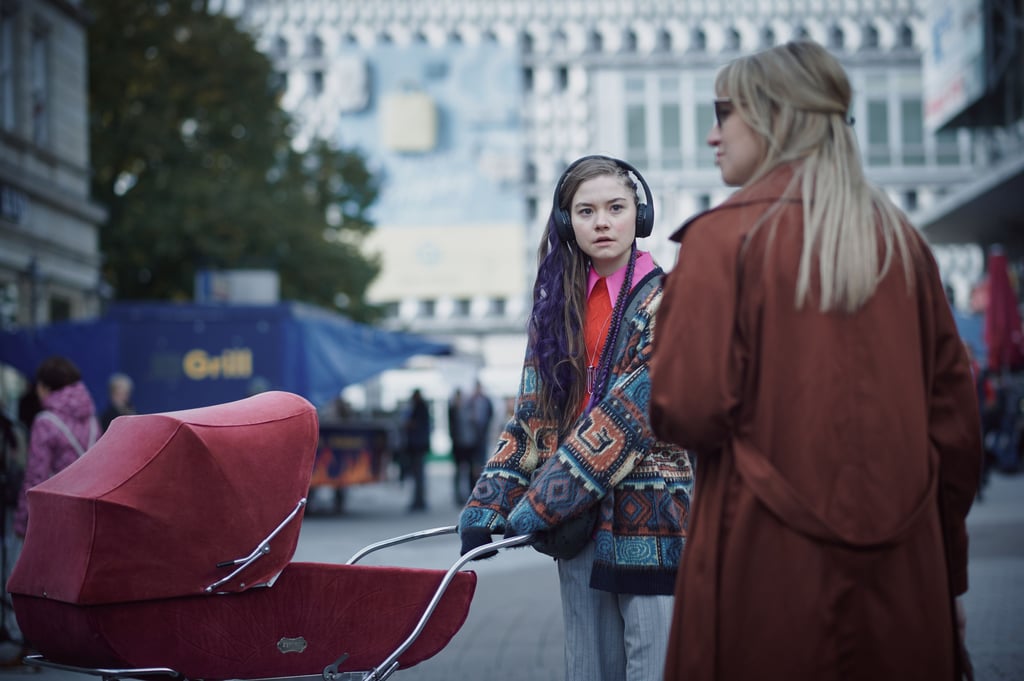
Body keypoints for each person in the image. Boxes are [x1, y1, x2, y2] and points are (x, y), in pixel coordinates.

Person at [649, 41, 982, 681]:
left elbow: (684, 409)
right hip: (906, 577)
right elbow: (956, 438)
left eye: (724, 112)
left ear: (776, 115)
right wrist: (950, 578)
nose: (713, 135)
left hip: (760, 572)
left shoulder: (721, 240)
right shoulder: (902, 243)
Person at [458, 155, 694, 681]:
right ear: (567, 222)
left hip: (653, 521)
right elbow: (533, 417)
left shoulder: (675, 300)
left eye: (616, 208)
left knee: (655, 667)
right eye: (586, 211)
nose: (602, 222)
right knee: (588, 668)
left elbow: (631, 417)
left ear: (640, 215)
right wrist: (488, 502)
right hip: (577, 523)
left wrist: (539, 503)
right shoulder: (556, 310)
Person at [14, 356, 100, 539]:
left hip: (56, 516)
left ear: (45, 387)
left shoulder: (45, 422)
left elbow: (36, 476)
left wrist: (23, 523)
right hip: (88, 514)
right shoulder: (93, 421)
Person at [402, 388, 431, 512]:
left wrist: (408, 424)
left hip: (417, 446)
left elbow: (415, 424)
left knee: (418, 475)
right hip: (418, 446)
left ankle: (419, 501)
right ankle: (419, 500)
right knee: (418, 475)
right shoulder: (421, 407)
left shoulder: (419, 408)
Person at [448, 388, 477, 505]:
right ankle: (458, 495)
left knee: (470, 471)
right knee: (458, 471)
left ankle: (471, 493)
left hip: (469, 445)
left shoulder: (468, 410)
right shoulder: (453, 410)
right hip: (458, 445)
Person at [466, 379, 494, 488]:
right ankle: (473, 486)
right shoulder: (470, 401)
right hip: (472, 438)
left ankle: (481, 484)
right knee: (472, 464)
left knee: (482, 462)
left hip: (482, 436)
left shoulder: (486, 400)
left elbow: (490, 415)